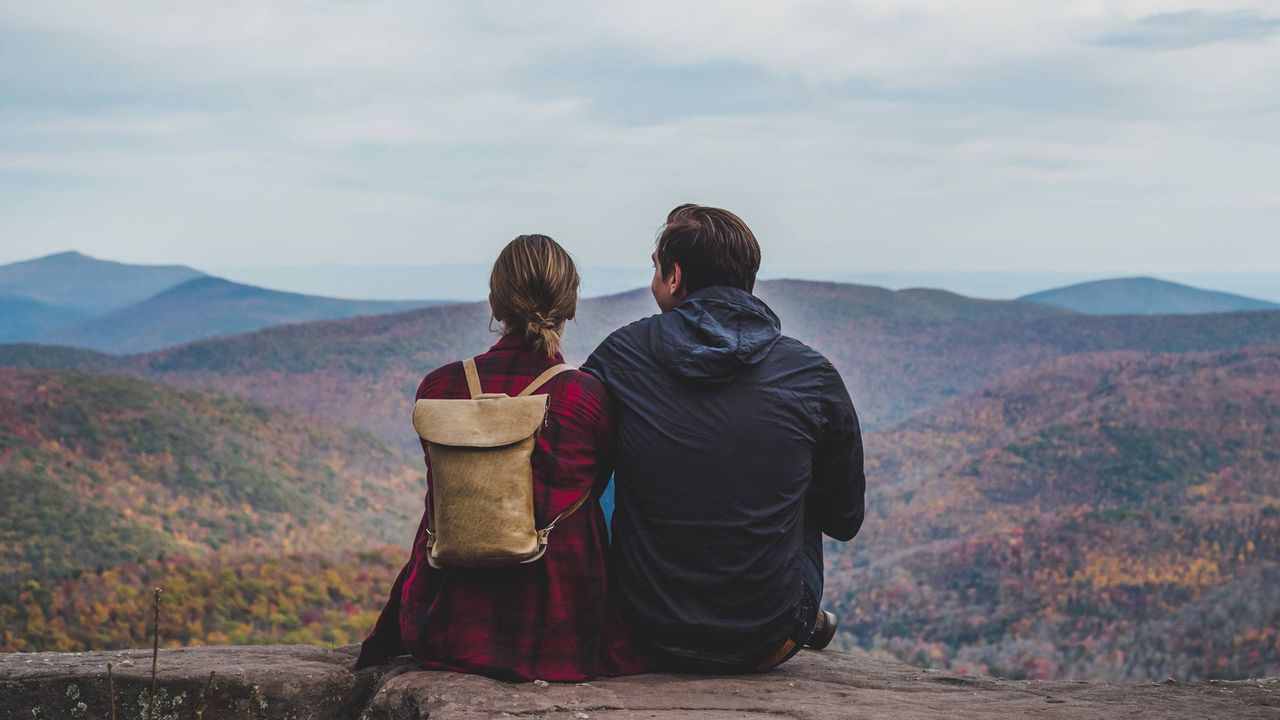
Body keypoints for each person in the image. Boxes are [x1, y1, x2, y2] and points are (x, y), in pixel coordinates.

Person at [582, 204, 866, 673]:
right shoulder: (811, 374)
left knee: (608, 450)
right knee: (795, 469)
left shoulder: (621, 357)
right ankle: (793, 613)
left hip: (646, 627)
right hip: (769, 637)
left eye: (655, 265)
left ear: (674, 278)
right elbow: (844, 518)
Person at [356, 234, 651, 682]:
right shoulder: (587, 398)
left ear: (494, 304)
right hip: (560, 627)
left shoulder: (439, 389)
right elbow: (599, 485)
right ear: (571, 306)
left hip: (445, 622)